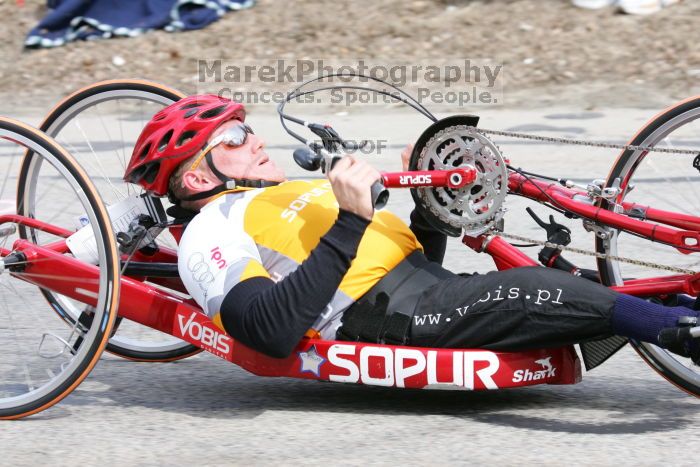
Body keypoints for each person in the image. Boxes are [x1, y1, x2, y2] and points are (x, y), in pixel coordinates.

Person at [123, 94, 699, 363]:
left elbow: (418, 262)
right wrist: (350, 218)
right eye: (229, 140)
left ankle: (677, 304)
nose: (251, 139)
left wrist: (428, 204)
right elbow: (266, 330)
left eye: (244, 127)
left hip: (424, 291)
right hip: (389, 320)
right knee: (544, 293)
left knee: (552, 271)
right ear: (195, 182)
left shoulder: (284, 192)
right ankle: (683, 336)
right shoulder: (209, 232)